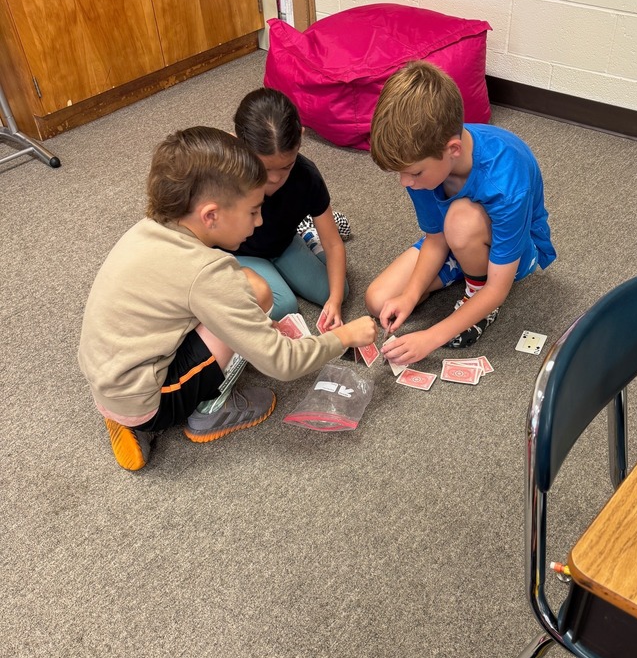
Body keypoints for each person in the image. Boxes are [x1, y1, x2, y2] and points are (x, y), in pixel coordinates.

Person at [78, 126, 376, 471]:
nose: (259, 221)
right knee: (252, 294)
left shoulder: (148, 228)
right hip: (148, 397)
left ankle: (123, 412)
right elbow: (283, 364)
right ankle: (209, 412)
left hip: (108, 373)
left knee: (246, 291)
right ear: (210, 215)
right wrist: (345, 336)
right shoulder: (208, 272)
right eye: (253, 211)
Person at [365, 60, 556, 367]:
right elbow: (436, 238)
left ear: (452, 150)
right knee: (378, 300)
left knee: (460, 219)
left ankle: (475, 294)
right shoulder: (423, 166)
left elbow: (497, 289)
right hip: (453, 237)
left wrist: (431, 337)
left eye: (413, 173)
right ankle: (466, 268)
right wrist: (409, 296)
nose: (405, 182)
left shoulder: (506, 180)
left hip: (515, 253)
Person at [232, 87, 349, 330]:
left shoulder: (307, 176)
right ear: (238, 144)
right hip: (238, 252)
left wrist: (335, 301)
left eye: (286, 166)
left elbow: (333, 243)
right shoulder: (224, 174)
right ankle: (298, 243)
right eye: (265, 169)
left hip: (283, 243)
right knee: (283, 306)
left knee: (338, 290)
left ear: (300, 138)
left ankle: (308, 234)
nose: (275, 179)